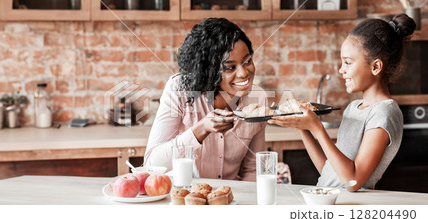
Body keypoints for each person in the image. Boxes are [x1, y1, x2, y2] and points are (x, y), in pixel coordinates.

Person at [268, 14, 416, 191]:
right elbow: (329, 170)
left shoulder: (384, 114)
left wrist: (317, 128)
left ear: (375, 67)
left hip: (351, 207)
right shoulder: (354, 108)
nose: (341, 69)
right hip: (329, 200)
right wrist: (303, 127)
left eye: (348, 62)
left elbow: (352, 181)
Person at [144, 18, 269, 181]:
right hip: (185, 196)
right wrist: (201, 129)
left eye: (247, 61)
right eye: (230, 67)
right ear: (208, 71)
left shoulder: (258, 98)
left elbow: (253, 170)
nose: (244, 73)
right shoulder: (180, 89)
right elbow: (152, 165)